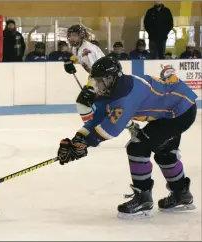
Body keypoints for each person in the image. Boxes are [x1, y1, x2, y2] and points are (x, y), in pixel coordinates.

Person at [57, 56, 197, 219]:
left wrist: (85, 143)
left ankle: (143, 199)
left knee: (137, 147)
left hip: (180, 111)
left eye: (100, 81)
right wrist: (78, 138)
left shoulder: (125, 94)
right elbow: (98, 118)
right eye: (96, 81)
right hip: (173, 109)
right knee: (164, 153)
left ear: (111, 78)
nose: (97, 85)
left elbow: (111, 129)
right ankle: (182, 195)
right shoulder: (112, 89)